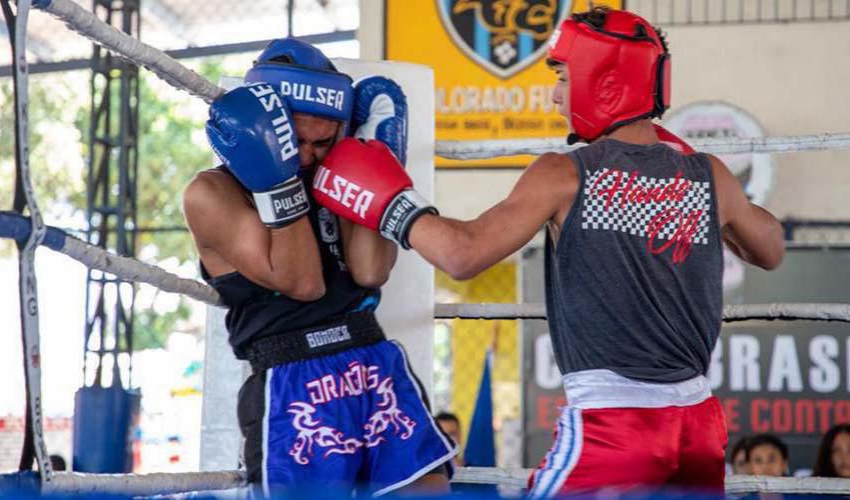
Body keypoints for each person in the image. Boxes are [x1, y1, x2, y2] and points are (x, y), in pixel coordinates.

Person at [308, 7, 785, 496]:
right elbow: (770, 247)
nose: (556, 95)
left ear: (605, 82)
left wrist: (389, 202)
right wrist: (692, 182)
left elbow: (463, 254)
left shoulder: (566, 173)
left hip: (614, 424)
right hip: (699, 426)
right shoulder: (708, 175)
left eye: (563, 77)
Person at [182, 38, 456, 496]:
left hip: (371, 360)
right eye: (296, 141)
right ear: (266, 130)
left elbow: (371, 272)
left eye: (323, 142)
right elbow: (304, 282)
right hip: (291, 379)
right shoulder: (212, 194)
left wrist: (375, 163)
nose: (307, 156)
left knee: (427, 490)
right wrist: (276, 178)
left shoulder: (336, 170)